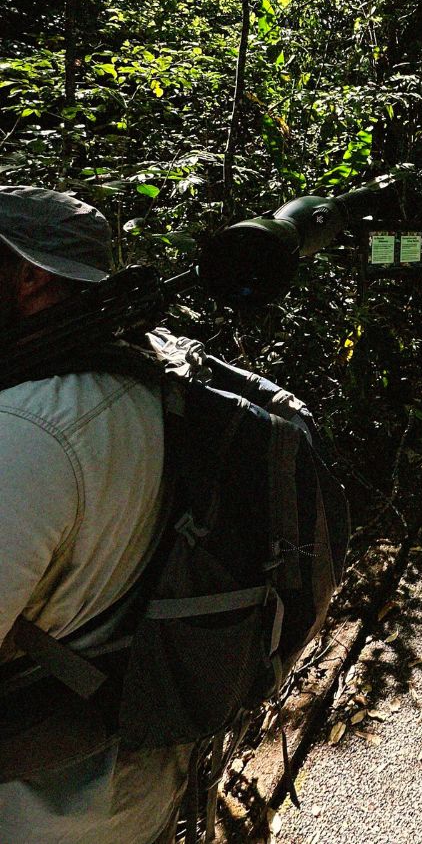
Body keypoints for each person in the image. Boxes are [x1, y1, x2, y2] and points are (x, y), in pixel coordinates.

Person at [0, 186, 191, 844]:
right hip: (138, 778)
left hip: (45, 807)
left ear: (27, 274)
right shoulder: (143, 378)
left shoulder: (28, 433)